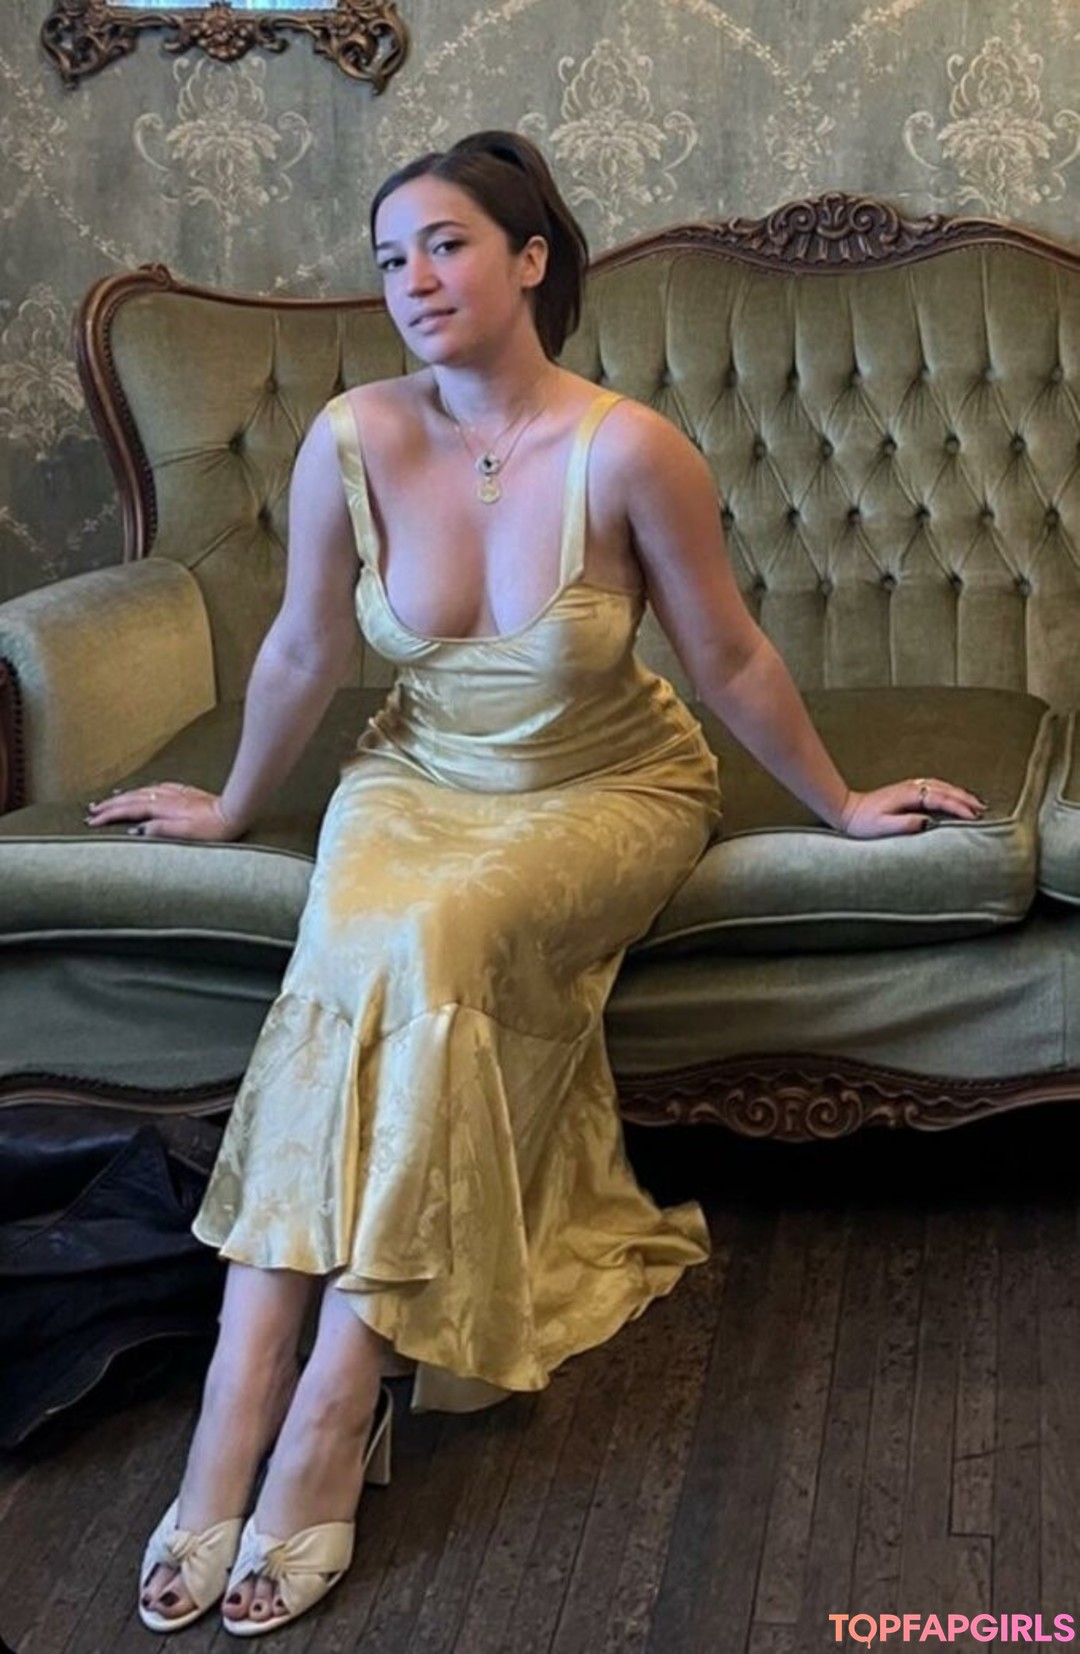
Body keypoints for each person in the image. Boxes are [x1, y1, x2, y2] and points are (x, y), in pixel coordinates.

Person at [87, 130, 984, 1637]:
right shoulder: (354, 437)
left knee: (430, 940)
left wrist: (840, 802)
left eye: (445, 244)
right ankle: (239, 1390)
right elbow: (305, 645)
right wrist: (233, 803)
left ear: (529, 258)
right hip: (413, 776)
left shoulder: (628, 450)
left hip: (608, 788)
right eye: (390, 259)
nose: (414, 280)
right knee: (353, 938)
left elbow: (726, 655)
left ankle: (335, 1399)